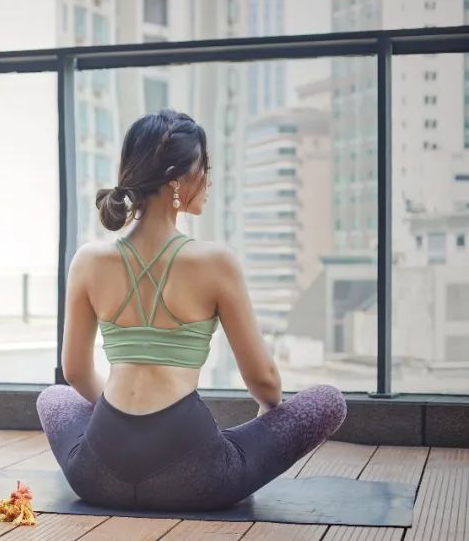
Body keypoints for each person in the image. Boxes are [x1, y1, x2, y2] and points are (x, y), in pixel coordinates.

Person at [38, 109, 346, 511]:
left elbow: (75, 372)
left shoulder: (88, 260)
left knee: (54, 397)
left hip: (97, 475)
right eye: (206, 167)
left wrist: (121, 429)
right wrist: (268, 427)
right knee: (329, 401)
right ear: (177, 180)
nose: (210, 179)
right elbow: (264, 380)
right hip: (195, 477)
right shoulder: (215, 262)